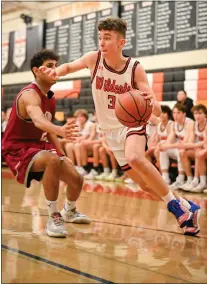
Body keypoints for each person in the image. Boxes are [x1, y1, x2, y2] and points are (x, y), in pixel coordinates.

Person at [39, 17, 201, 236]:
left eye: (107, 38)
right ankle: (187, 207)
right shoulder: (93, 59)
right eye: (100, 38)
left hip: (132, 124)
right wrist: (55, 72)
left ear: (121, 42)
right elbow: (68, 66)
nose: (102, 43)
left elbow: (157, 111)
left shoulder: (134, 68)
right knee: (144, 185)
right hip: (110, 132)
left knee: (135, 157)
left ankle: (175, 206)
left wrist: (149, 100)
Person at [2, 49, 91, 238]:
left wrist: (62, 155)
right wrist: (59, 130)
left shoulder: (50, 98)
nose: (55, 70)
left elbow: (48, 132)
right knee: (51, 160)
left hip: (38, 146)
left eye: (56, 66)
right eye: (49, 66)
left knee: (77, 179)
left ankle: (70, 211)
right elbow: (38, 121)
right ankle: (53, 217)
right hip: (17, 148)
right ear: (37, 70)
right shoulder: (29, 94)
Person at [159, 103, 194, 189]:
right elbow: (170, 139)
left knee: (180, 151)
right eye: (174, 113)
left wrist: (167, 146)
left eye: (178, 113)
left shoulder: (189, 123)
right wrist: (164, 145)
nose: (175, 115)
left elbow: (185, 143)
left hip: (191, 148)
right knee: (162, 150)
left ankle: (181, 178)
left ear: (184, 114)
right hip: (181, 148)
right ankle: (165, 177)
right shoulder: (175, 124)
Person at [178, 104, 207, 192]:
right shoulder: (195, 125)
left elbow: (204, 143)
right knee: (183, 152)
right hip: (201, 149)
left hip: (204, 149)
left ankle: (200, 181)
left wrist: (196, 146)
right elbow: (191, 142)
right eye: (195, 113)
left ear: (205, 114)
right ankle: (191, 180)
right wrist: (185, 145)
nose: (197, 116)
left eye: (199, 113)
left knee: (199, 152)